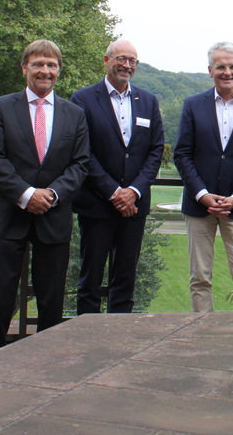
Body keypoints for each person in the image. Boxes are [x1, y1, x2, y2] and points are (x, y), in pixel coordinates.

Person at [0, 39, 89, 351]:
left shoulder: (74, 114)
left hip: (53, 216)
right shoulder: (1, 107)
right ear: (24, 68)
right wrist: (27, 194)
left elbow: (80, 164)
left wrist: (51, 195)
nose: (45, 70)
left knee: (51, 298)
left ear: (59, 70)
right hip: (8, 213)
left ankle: (45, 361)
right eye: (38, 64)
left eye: (51, 65)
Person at [70, 39, 164, 314]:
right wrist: (113, 192)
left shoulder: (148, 101)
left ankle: (120, 334)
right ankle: (86, 333)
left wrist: (133, 191)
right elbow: (83, 151)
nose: (127, 65)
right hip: (96, 204)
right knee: (90, 277)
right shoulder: (83, 99)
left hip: (134, 207)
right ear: (106, 60)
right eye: (121, 59)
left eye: (132, 60)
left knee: (125, 278)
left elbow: (155, 150)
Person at [174, 42, 233, 312]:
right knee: (200, 278)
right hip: (199, 206)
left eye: (232, 66)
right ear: (210, 70)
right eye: (221, 66)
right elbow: (182, 155)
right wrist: (202, 195)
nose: (227, 72)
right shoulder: (193, 105)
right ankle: (204, 330)